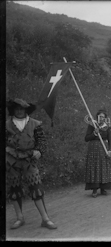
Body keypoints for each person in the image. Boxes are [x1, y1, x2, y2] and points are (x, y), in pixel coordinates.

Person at [6, 98, 57, 229]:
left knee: (36, 188)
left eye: (22, 108)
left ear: (26, 110)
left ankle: (45, 219)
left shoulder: (35, 124)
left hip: (29, 159)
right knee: (14, 189)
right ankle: (19, 218)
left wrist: (39, 150)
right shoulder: (6, 124)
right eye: (16, 108)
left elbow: (42, 141)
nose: (19, 111)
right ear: (13, 110)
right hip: (11, 160)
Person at [85, 108, 111, 197]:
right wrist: (94, 133)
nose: (102, 119)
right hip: (93, 151)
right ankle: (94, 189)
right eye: (100, 117)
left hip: (103, 150)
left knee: (103, 168)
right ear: (97, 117)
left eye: (103, 117)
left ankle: (103, 188)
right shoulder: (92, 125)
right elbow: (86, 138)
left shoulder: (107, 127)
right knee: (95, 168)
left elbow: (110, 140)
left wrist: (110, 150)